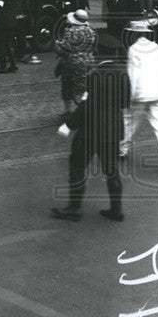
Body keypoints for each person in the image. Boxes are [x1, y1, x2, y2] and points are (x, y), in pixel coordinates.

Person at [51, 58, 128, 222]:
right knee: (111, 170)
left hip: (91, 131)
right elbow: (124, 103)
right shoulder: (123, 75)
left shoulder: (95, 76)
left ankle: (74, 208)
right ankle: (116, 210)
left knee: (78, 166)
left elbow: (87, 105)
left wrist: (69, 125)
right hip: (113, 130)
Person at [119, 20, 158, 170]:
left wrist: (130, 95)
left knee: (128, 121)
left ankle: (122, 150)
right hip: (156, 92)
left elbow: (133, 74)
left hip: (140, 94)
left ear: (132, 34)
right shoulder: (156, 47)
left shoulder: (133, 49)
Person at [54, 8, 97, 116]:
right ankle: (87, 109)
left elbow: (65, 49)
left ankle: (70, 111)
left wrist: (57, 45)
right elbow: (94, 46)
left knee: (68, 86)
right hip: (89, 60)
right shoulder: (91, 30)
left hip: (72, 62)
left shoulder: (71, 31)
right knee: (85, 87)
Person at [14, 0, 40, 64]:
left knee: (22, 37)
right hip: (14, 16)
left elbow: (31, 2)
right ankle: (13, 54)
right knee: (12, 37)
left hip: (24, 16)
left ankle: (20, 55)